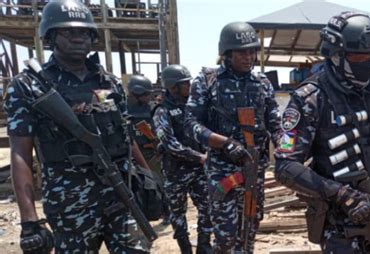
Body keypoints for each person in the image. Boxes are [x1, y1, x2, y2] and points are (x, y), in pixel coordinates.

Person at [4, 0, 153, 252]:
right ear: (50, 36)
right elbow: (20, 151)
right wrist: (29, 220)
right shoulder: (29, 86)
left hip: (121, 195)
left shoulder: (110, 82)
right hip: (70, 205)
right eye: (67, 32)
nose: (77, 38)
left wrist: (150, 180)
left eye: (84, 32)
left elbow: (126, 137)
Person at [274, 12, 370, 253]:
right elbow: (285, 166)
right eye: (357, 56)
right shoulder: (311, 99)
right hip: (344, 225)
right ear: (335, 55)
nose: (367, 62)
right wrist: (343, 195)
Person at [184, 21, 281, 253]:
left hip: (253, 170)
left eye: (252, 51)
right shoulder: (207, 81)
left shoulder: (262, 83)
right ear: (227, 54)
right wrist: (224, 143)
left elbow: (277, 126)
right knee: (226, 237)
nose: (248, 57)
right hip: (222, 171)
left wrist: (288, 150)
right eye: (242, 52)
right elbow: (191, 124)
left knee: (249, 232)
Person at [153, 64, 213, 254]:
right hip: (176, 173)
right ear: (173, 87)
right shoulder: (162, 111)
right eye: (185, 84)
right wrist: (199, 157)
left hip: (198, 171)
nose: (190, 86)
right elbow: (170, 143)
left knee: (207, 208)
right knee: (178, 215)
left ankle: (204, 246)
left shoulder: (194, 107)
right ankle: (185, 249)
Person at [127, 74, 171, 225]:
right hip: (130, 153)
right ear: (136, 93)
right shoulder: (123, 109)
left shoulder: (153, 108)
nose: (148, 97)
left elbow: (162, 129)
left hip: (151, 152)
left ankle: (166, 212)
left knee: (159, 182)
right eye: (146, 94)